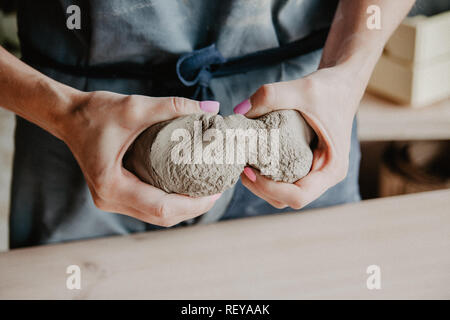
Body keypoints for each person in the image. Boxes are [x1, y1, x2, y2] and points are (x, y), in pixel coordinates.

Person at [0, 0, 415, 248]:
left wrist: (348, 75)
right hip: (84, 123)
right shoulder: (73, 116)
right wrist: (67, 113)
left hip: (304, 113)